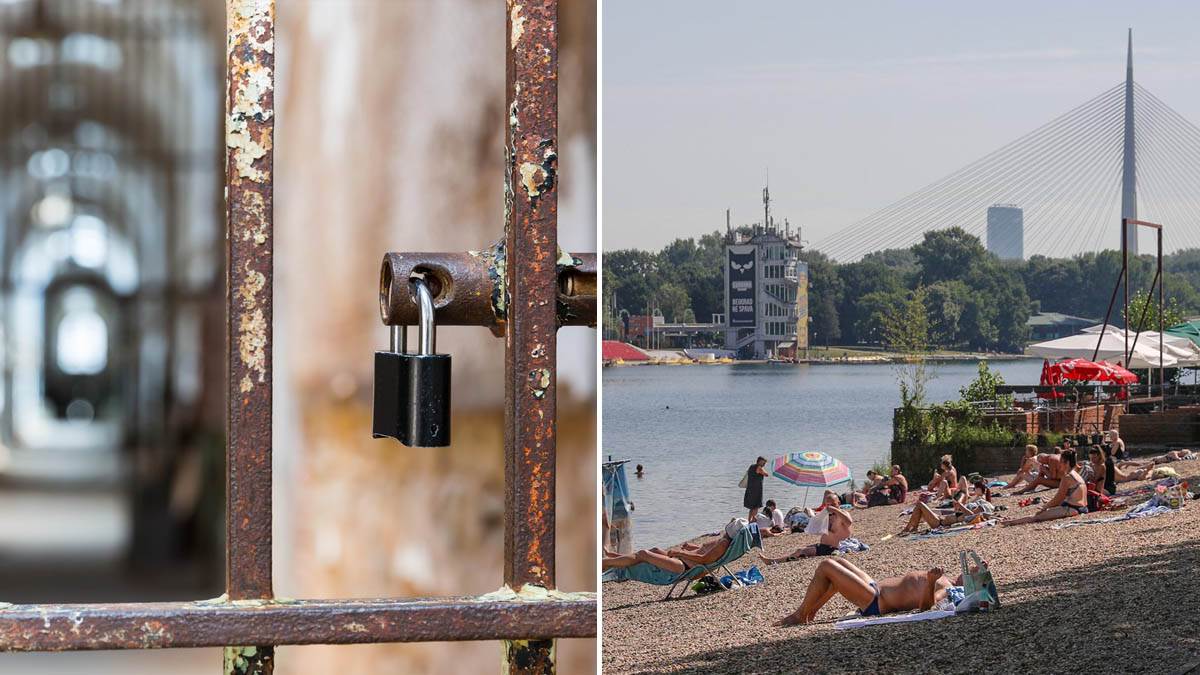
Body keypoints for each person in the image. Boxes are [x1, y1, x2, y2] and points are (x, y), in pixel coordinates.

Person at [777, 559, 965, 625]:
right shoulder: (945, 578)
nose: (967, 571)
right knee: (839, 563)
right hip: (874, 588)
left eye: (970, 574)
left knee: (826, 566)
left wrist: (931, 582)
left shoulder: (949, 589)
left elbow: (926, 607)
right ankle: (812, 609)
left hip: (877, 601)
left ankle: (800, 614)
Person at [603, 519, 745, 573]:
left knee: (643, 554)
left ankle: (606, 562)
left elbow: (703, 559)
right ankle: (616, 558)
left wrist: (680, 553)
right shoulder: (725, 541)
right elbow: (703, 553)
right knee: (655, 551)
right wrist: (690, 549)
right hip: (687, 561)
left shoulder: (723, 544)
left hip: (685, 566)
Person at [1003, 449, 1088, 526]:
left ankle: (1010, 522)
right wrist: (1050, 503)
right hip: (1083, 507)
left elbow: (1058, 498)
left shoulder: (1067, 477)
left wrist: (1045, 507)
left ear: (1066, 462)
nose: (1059, 464)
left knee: (1037, 517)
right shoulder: (1076, 474)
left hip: (1072, 508)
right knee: (1042, 512)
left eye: (1061, 461)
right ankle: (1011, 520)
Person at [759, 506, 853, 563]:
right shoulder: (832, 518)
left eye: (831, 504)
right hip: (823, 546)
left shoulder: (841, 516)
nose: (830, 515)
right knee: (801, 550)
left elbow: (849, 522)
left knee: (800, 551)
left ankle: (774, 561)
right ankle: (780, 559)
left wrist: (835, 510)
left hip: (828, 549)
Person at [898, 485, 994, 535]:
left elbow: (971, 514)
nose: (976, 508)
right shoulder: (970, 513)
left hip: (939, 523)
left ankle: (908, 528)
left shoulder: (972, 515)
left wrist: (960, 505)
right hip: (940, 519)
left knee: (920, 504)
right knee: (920, 509)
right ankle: (913, 528)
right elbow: (966, 513)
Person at [744, 457, 769, 524]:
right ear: (760, 461)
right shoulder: (759, 468)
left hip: (750, 489)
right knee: (756, 506)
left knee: (752, 507)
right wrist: (763, 469)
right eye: (763, 462)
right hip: (756, 490)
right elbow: (766, 474)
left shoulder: (751, 466)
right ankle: (753, 520)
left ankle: (749, 520)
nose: (764, 464)